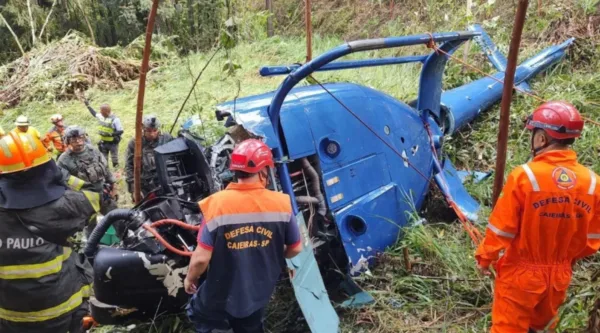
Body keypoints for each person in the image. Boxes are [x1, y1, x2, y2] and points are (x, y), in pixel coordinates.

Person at [475, 101, 600, 332]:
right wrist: (563, 260)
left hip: (521, 274)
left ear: (542, 138)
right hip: (559, 276)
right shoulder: (592, 182)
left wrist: (485, 258)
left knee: (507, 328)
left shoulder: (525, 176)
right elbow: (592, 239)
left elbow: (502, 228)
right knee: (542, 327)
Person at [184, 139, 304, 333]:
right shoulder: (282, 203)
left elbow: (201, 259)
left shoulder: (216, 204)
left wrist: (190, 279)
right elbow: (296, 248)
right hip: (257, 295)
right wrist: (270, 248)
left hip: (220, 296)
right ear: (264, 169)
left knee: (201, 314)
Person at [0, 130, 101, 333]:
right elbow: (95, 195)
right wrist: (59, 174)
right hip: (64, 308)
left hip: (9, 315)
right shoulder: (64, 206)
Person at [57, 125, 118, 217]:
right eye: (74, 139)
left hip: (103, 193)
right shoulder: (64, 160)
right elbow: (63, 182)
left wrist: (113, 185)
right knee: (91, 226)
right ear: (67, 141)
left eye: (80, 137)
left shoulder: (93, 150)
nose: (78, 141)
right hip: (84, 199)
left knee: (116, 218)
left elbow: (105, 167)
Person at [125, 115, 174, 198]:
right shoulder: (135, 143)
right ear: (143, 130)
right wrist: (134, 190)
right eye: (149, 131)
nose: (152, 134)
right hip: (146, 185)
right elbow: (129, 166)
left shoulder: (166, 138)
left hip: (166, 180)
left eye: (155, 130)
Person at [82, 100, 123, 168]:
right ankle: (106, 173)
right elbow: (94, 113)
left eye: (101, 111)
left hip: (113, 143)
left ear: (106, 112)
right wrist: (88, 106)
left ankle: (117, 172)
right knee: (104, 160)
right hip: (103, 142)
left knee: (114, 159)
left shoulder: (115, 119)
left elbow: (121, 131)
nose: (100, 112)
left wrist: (110, 134)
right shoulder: (101, 116)